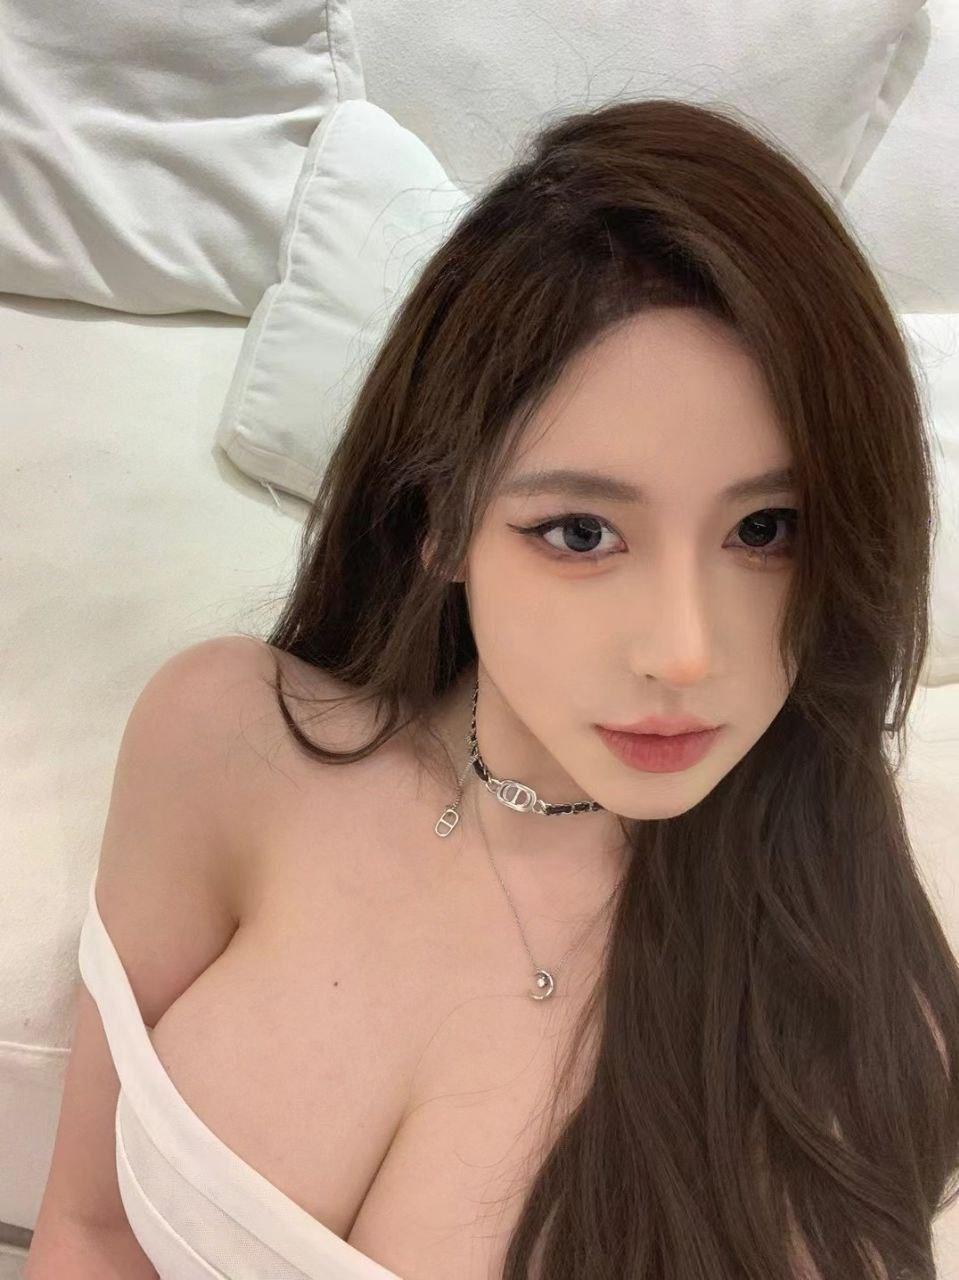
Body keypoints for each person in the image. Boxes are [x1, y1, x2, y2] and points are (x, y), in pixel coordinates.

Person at [28, 96, 958, 1280]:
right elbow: (92, 1229)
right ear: (440, 519)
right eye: (580, 531)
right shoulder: (220, 737)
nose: (682, 651)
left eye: (765, 528)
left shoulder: (850, 1010)